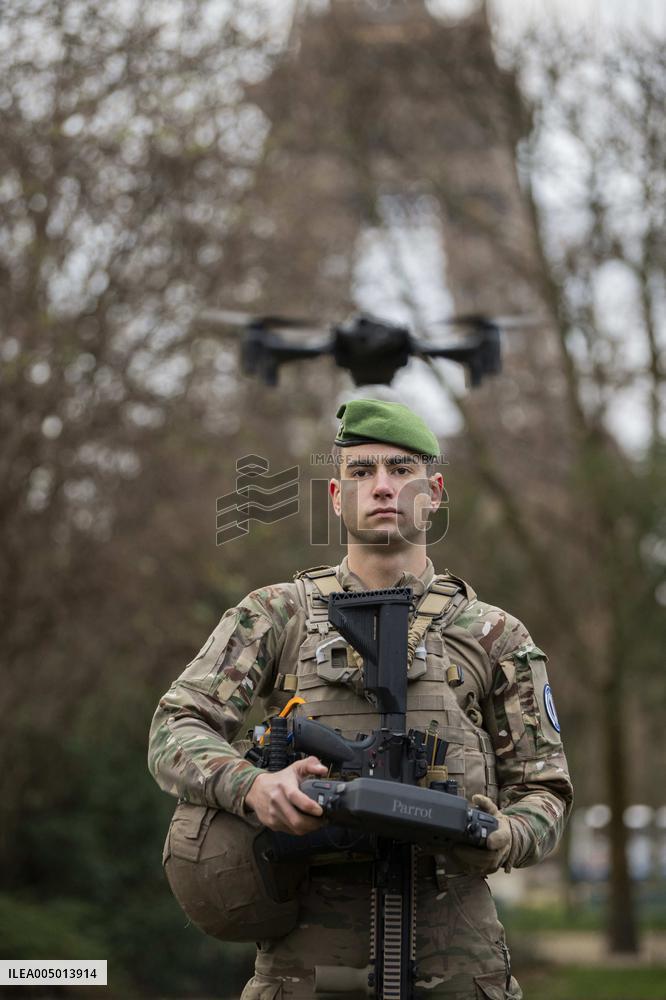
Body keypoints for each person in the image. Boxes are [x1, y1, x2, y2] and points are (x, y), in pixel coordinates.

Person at [148, 398, 573, 1000]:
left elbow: (547, 791)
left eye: (401, 471)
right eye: (362, 471)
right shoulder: (277, 616)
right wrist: (254, 787)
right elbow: (174, 726)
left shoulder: (495, 636)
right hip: (308, 969)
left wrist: (504, 835)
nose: (382, 487)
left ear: (435, 491)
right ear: (335, 495)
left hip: (457, 965)